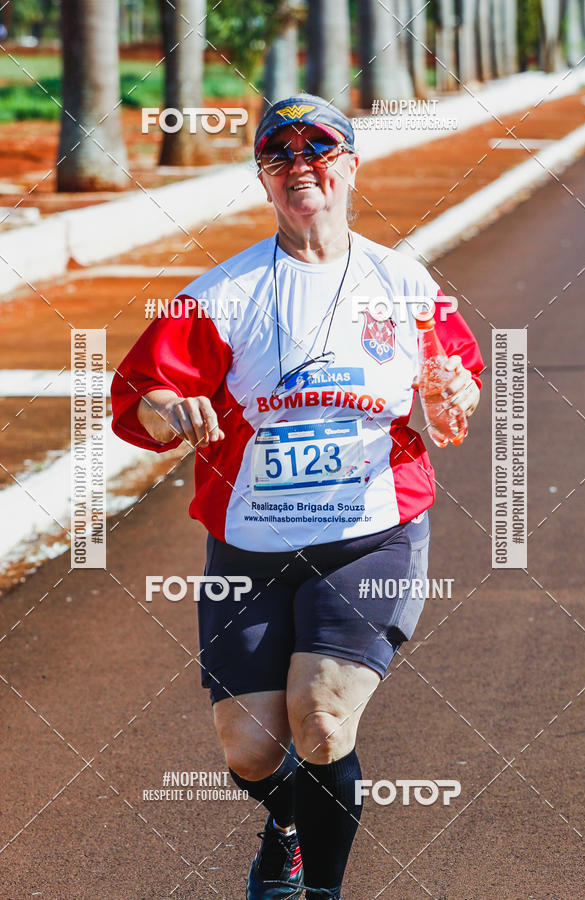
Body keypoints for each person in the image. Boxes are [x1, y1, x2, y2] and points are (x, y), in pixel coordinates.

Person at [111, 93, 483, 899]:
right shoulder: (222, 294)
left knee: (320, 721)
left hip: (370, 533)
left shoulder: (402, 280)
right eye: (279, 157)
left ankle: (322, 892)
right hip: (250, 542)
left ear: (350, 167)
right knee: (250, 748)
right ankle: (286, 828)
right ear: (263, 180)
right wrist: (166, 407)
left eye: (319, 151)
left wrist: (455, 390)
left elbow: (459, 378)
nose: (300, 167)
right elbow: (136, 391)